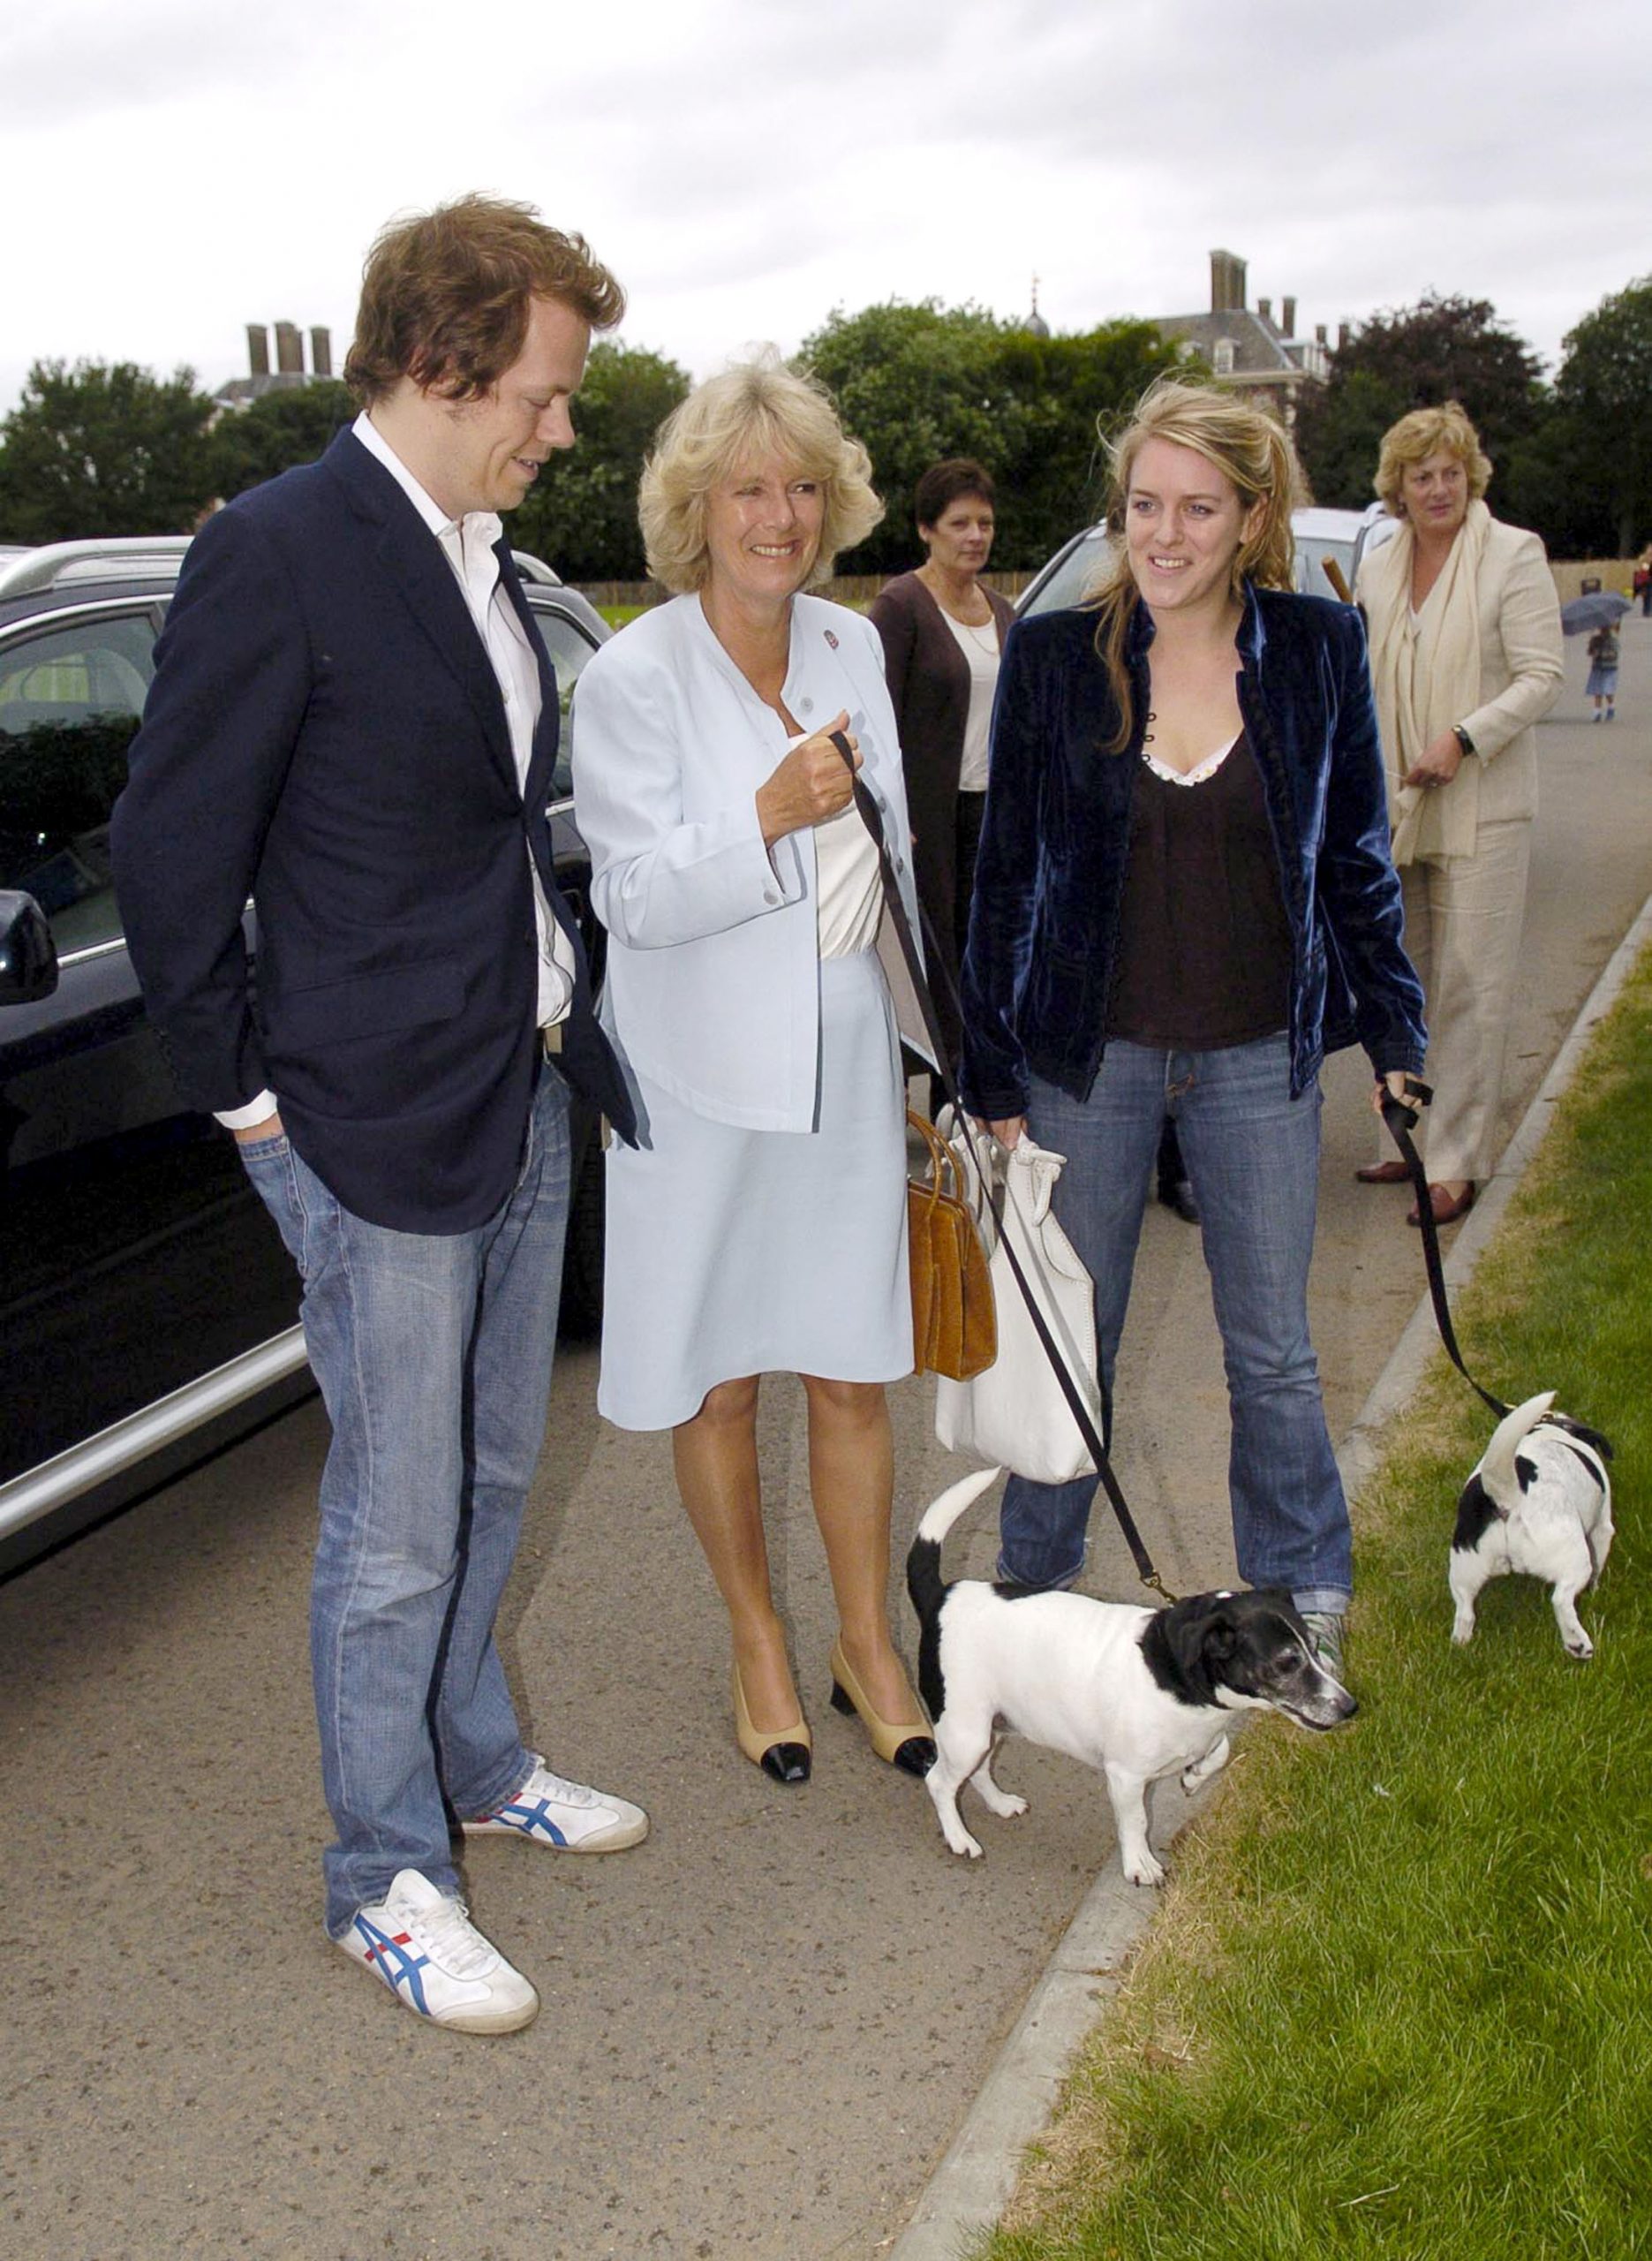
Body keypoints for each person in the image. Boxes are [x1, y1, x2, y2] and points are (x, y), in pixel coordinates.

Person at [111, 195, 649, 2037]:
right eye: (544, 390)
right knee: (395, 1520)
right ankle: (381, 1874)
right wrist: (254, 1101)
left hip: (516, 1089)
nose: (560, 426)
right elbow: (172, 854)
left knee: (496, 1472)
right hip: (367, 1125)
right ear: (440, 359)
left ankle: (474, 1757)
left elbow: (488, 822)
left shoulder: (478, 557)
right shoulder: (277, 549)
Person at [960, 380, 1426, 1675]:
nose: (1162, 535)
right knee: (1071, 1335)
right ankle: (1033, 1585)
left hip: (1251, 1061)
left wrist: (1393, 1035)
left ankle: (1297, 1588)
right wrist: (987, 1063)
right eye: (1142, 505)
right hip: (1083, 1062)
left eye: (1196, 509)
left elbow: (1354, 863)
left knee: (1270, 1351)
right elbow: (1004, 873)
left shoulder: (1315, 651)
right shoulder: (1056, 657)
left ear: (1250, 518)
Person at [571, 359, 935, 1787]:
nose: (777, 516)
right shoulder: (631, 672)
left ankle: (868, 1648)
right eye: (747, 489)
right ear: (694, 509)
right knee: (720, 1384)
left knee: (851, 1372)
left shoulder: (850, 646)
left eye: (799, 488)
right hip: (700, 1071)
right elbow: (637, 899)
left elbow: (894, 864)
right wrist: (767, 816)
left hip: (843, 1050)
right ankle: (756, 1646)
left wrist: (923, 1046)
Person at [1354, 402, 1563, 1227]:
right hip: (1399, 805)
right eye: (1419, 474)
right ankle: (1406, 1139)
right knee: (1403, 987)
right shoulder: (1378, 564)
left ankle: (1456, 1162)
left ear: (1468, 475)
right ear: (1396, 486)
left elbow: (1542, 675)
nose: (1436, 488)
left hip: (1482, 806)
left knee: (1472, 984)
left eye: (1448, 472)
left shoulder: (1512, 553)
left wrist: (1462, 739)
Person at [869, 462, 1015, 1094]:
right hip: (928, 821)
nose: (974, 536)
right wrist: (893, 818)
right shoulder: (900, 607)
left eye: (983, 523)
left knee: (991, 957)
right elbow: (873, 720)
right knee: (932, 962)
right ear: (926, 529)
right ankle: (931, 1102)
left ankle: (982, 1094)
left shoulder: (1006, 612)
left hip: (994, 816)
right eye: (959, 523)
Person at [1586, 621, 1619, 721]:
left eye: (1606, 629)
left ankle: (1611, 706)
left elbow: (1614, 654)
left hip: (1609, 668)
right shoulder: (1595, 640)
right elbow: (1590, 652)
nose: (1604, 631)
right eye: (1602, 629)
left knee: (1607, 689)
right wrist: (1591, 647)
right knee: (1597, 690)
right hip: (1597, 668)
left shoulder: (1613, 640)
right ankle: (1597, 712)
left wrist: (1601, 654)